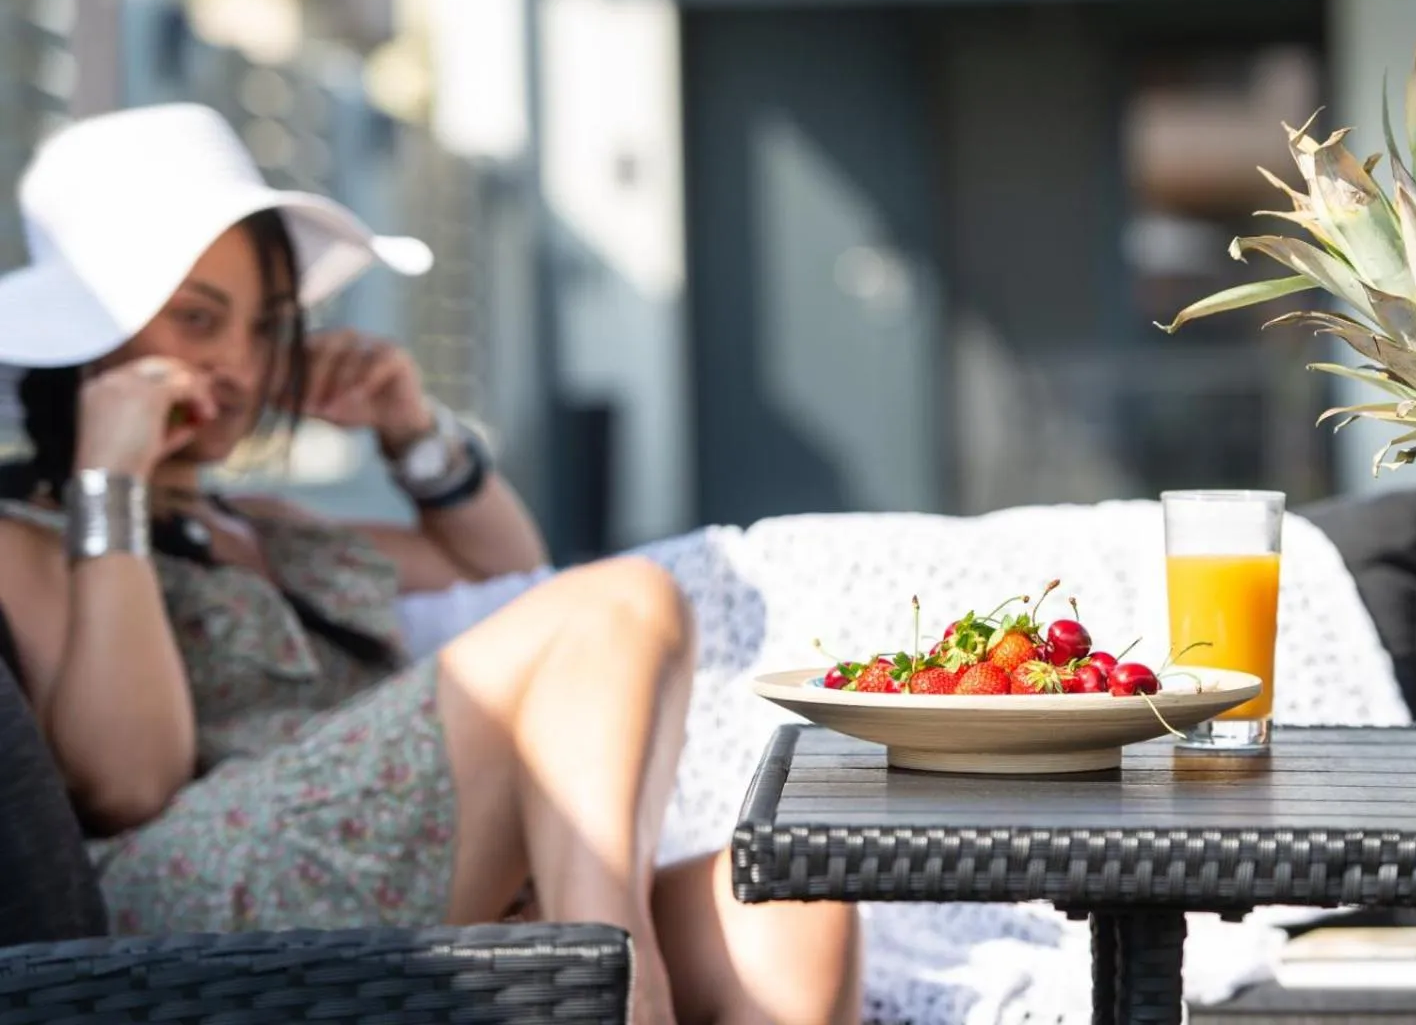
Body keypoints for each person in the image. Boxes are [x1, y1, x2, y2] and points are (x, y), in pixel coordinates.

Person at [0, 104, 860, 1025]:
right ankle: (623, 987)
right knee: (621, 601)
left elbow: (505, 578)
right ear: (92, 335)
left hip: (393, 883)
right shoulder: (28, 538)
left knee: (788, 905)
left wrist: (410, 432)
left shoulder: (266, 526)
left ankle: (597, 959)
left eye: (267, 328)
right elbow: (129, 782)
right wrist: (109, 485)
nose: (240, 366)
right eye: (198, 320)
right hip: (188, 912)